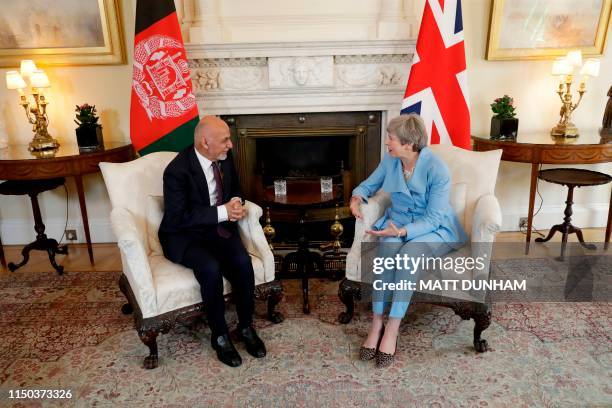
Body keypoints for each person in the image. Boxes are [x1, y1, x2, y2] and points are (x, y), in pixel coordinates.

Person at [350, 114, 467, 368]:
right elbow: (368, 185)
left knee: (409, 255)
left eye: (391, 139)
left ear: (409, 144)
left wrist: (403, 232)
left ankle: (393, 327)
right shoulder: (392, 161)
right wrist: (356, 197)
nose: (387, 143)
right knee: (387, 250)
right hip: (396, 225)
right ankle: (377, 323)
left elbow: (435, 217)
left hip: (435, 229)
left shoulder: (437, 169)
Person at [158, 115, 266, 368]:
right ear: (205, 142)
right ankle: (219, 336)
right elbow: (178, 217)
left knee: (242, 262)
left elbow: (235, 190)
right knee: (210, 268)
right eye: (225, 140)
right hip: (182, 235)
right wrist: (223, 212)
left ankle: (246, 327)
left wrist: (236, 204)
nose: (230, 145)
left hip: (216, 229)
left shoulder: (224, 160)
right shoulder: (176, 171)